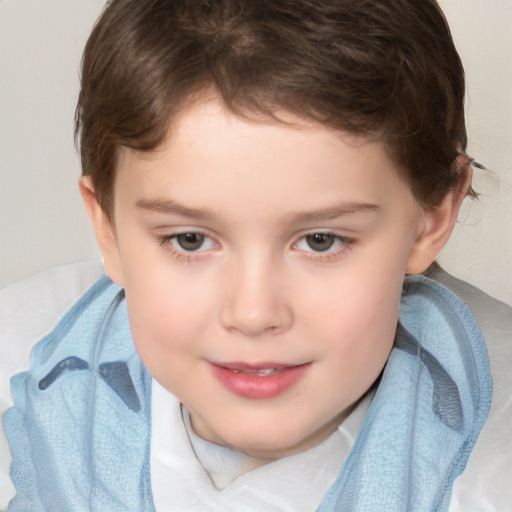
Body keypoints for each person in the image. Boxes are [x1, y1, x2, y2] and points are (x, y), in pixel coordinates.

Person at [1, 0, 510, 510]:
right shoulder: (22, 363)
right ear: (107, 226)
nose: (253, 313)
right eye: (190, 240)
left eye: (320, 241)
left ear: (433, 215)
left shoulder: (492, 475)